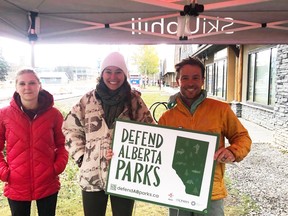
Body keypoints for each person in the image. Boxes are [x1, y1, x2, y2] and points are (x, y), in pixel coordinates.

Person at [62, 51, 155, 216]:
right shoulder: (87, 100)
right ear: (102, 73)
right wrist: (82, 156)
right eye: (108, 71)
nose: (113, 76)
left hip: (125, 174)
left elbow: (150, 132)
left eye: (118, 72)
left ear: (125, 74)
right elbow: (70, 128)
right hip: (92, 174)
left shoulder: (135, 102)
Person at [158, 56, 252, 216]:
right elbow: (157, 152)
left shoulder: (221, 110)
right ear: (178, 80)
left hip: (211, 190)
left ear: (202, 80)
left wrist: (233, 151)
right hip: (176, 189)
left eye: (195, 77)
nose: (190, 83)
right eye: (185, 78)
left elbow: (242, 137)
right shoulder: (167, 118)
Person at [0, 69, 68, 216]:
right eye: (22, 83)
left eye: (32, 83)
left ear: (39, 85)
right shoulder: (4, 115)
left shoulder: (54, 115)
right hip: (16, 183)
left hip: (47, 182)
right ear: (16, 87)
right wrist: (4, 173)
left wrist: (56, 168)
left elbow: (63, 145)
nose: (27, 87)